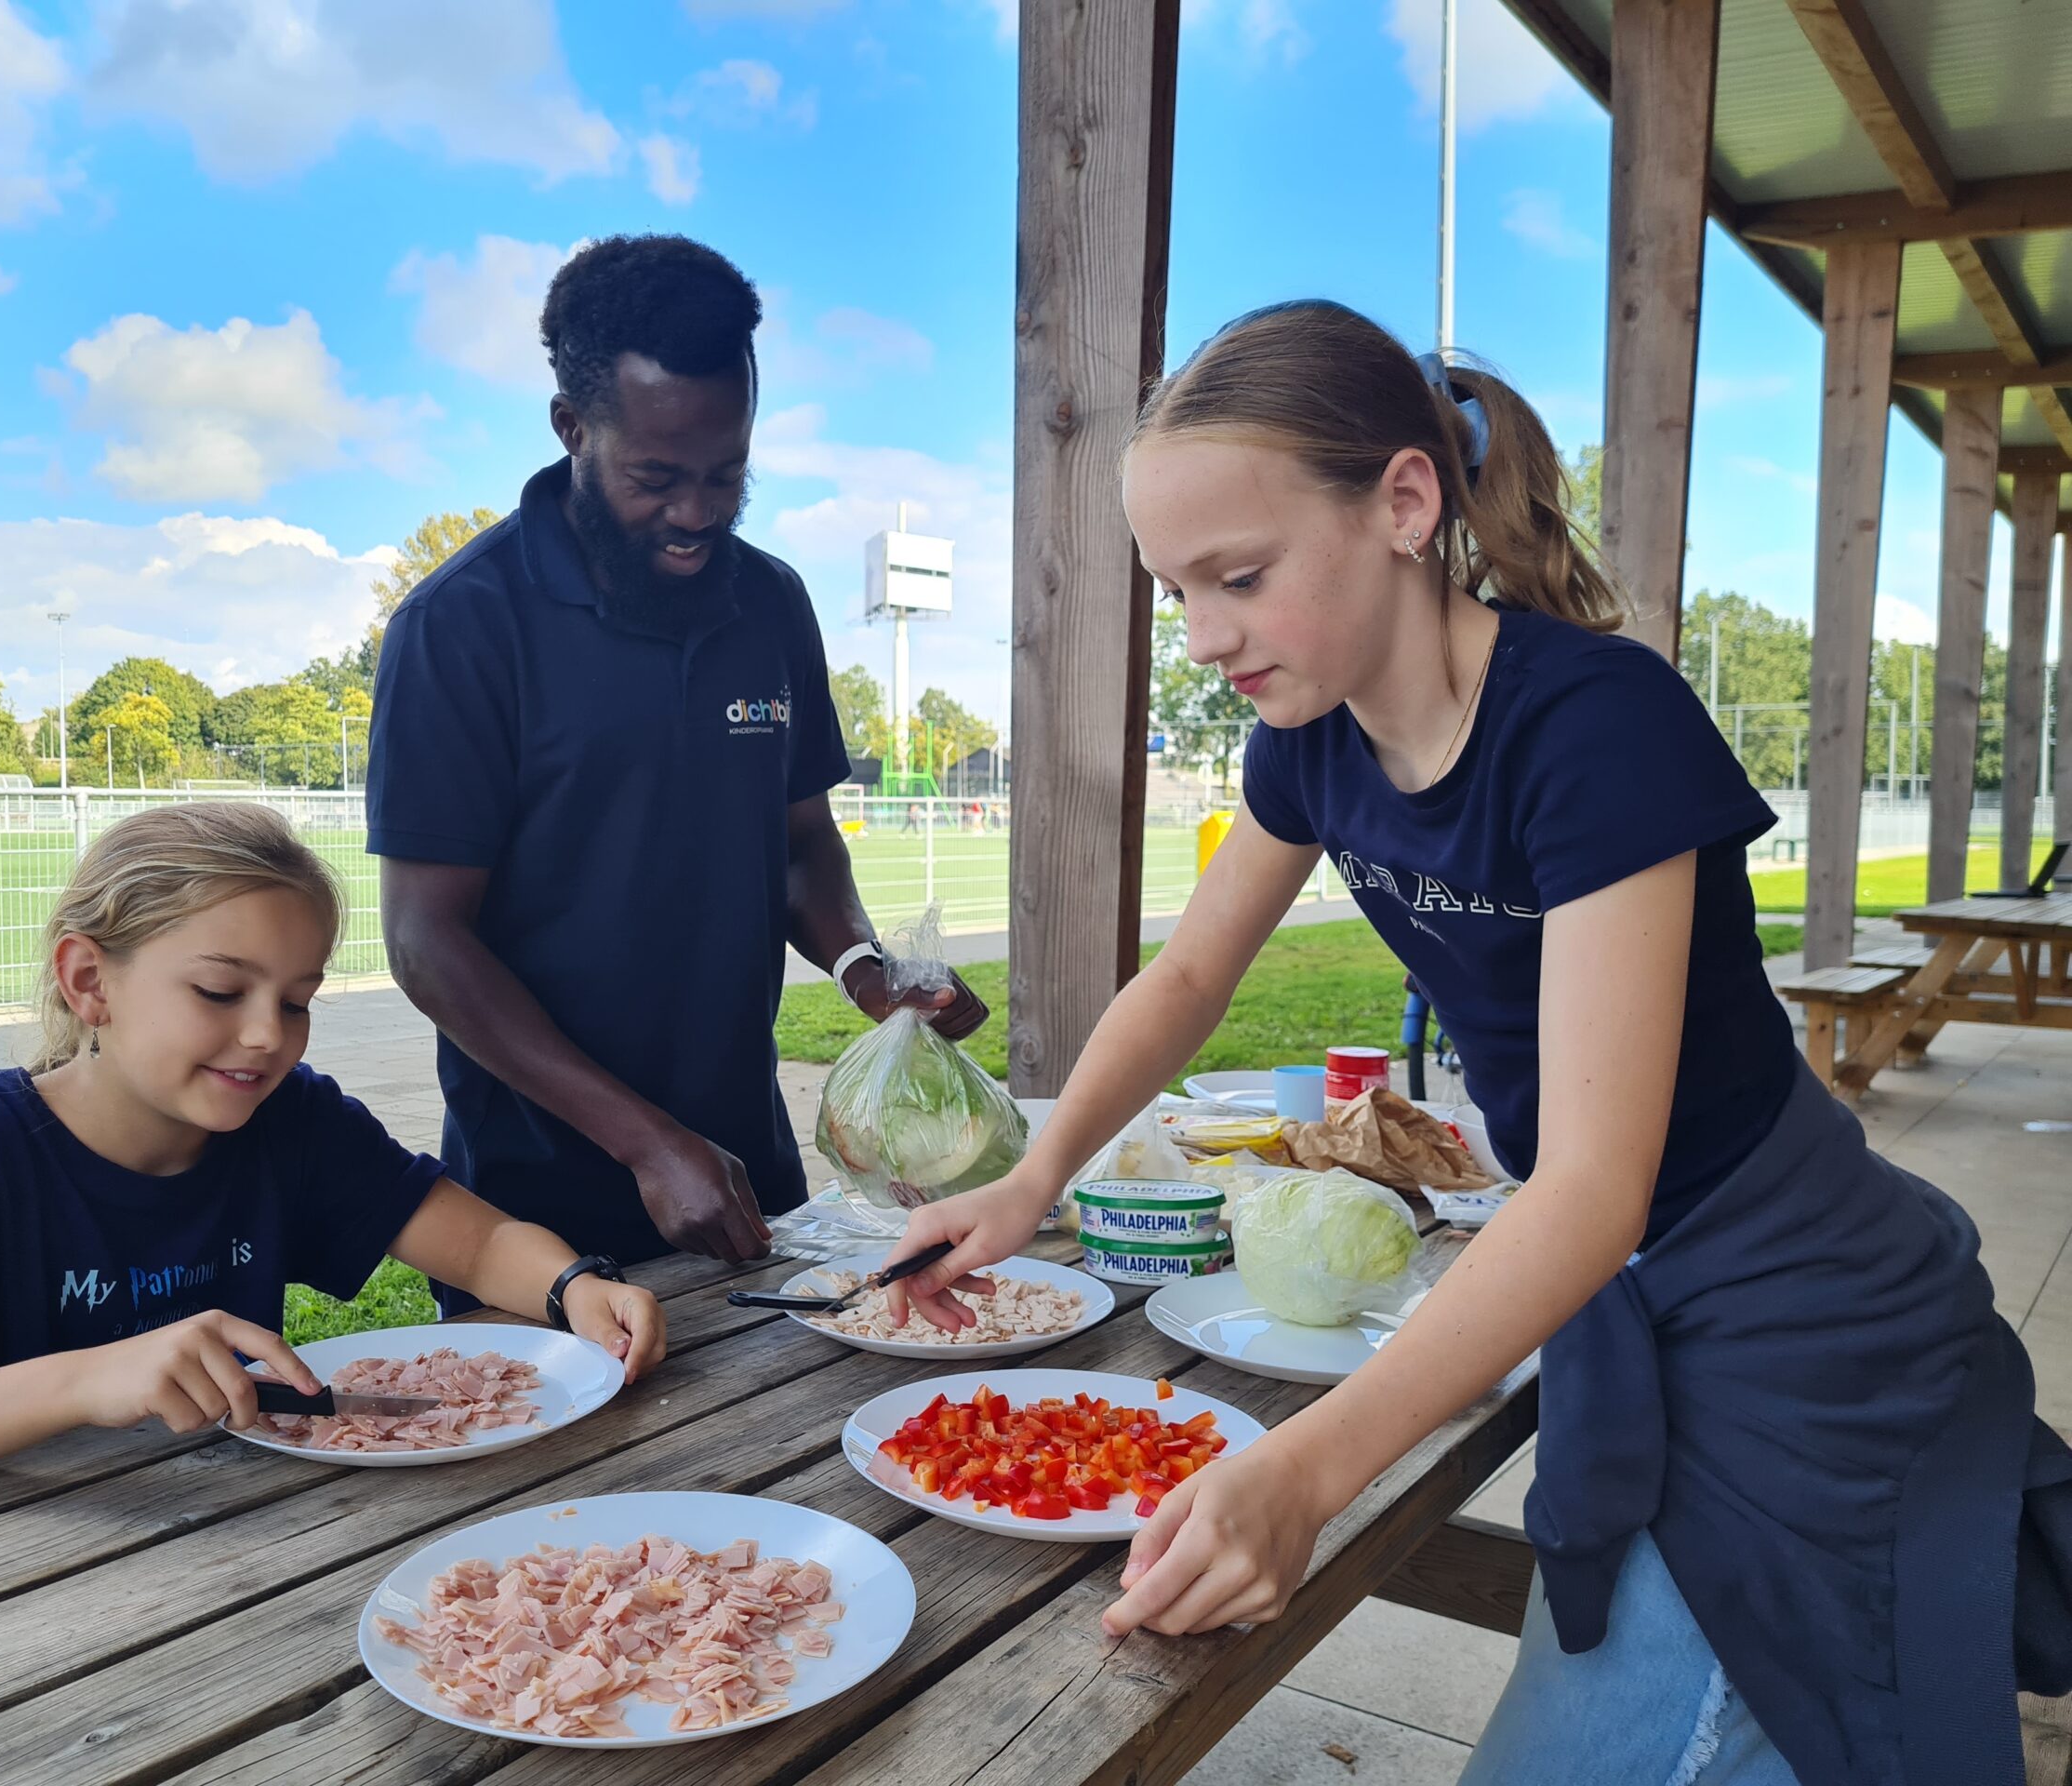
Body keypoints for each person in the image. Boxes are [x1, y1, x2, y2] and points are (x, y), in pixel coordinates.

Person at [881, 300, 2072, 1785]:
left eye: (1238, 577)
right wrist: (1031, 1172)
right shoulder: (1307, 737)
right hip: (1612, 1287)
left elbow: (1590, 1186)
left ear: (1402, 501)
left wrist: (1309, 1470)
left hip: (1786, 1294)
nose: (1202, 639)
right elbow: (1188, 976)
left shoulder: (1595, 725)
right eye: (1176, 591)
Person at [0, 804, 665, 1518]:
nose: (266, 1036)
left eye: (297, 1000)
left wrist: (573, 1286)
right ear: (89, 981)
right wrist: (86, 1380)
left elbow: (478, 1241)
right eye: (221, 991)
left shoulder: (289, 1124)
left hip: (223, 1546)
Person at [367, 233, 982, 1299]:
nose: (697, 513)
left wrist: (869, 975)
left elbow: (796, 846)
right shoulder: (460, 627)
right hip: (537, 1208)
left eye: (726, 473)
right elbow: (427, 940)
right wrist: (646, 1142)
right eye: (656, 477)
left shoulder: (771, 603)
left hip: (748, 1171)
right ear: (572, 428)